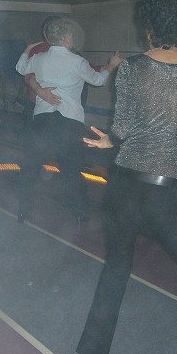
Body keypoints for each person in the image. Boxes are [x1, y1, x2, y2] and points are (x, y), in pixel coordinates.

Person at [76, 0, 177, 354]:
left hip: (125, 188)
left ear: (150, 25)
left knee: (117, 267)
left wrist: (111, 140)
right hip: (169, 194)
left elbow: (123, 126)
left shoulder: (132, 68)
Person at [15, 17, 122, 223]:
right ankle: (80, 212)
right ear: (65, 39)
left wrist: (27, 49)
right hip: (69, 122)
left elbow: (21, 68)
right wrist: (111, 65)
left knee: (32, 165)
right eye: (71, 36)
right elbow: (98, 80)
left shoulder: (39, 58)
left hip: (43, 120)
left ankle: (23, 211)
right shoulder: (76, 61)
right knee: (72, 169)